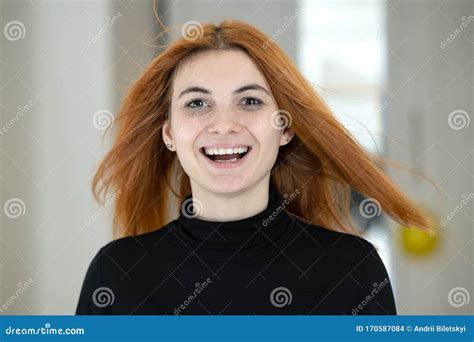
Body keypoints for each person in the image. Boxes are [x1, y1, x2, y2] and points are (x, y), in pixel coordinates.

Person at [76, 19, 434, 315]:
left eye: (250, 101)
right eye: (198, 103)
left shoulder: (353, 269)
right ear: (169, 133)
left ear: (285, 127)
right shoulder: (117, 272)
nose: (224, 124)